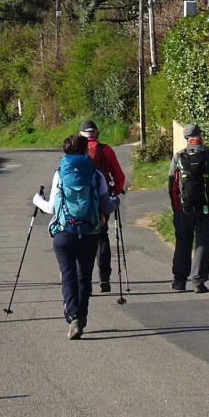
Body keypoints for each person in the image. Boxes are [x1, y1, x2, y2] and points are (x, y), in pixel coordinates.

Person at [33, 135, 110, 339]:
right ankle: (81, 317)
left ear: (65, 153)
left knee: (68, 275)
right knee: (84, 276)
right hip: (89, 233)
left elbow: (51, 208)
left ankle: (73, 317)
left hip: (64, 233)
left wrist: (37, 200)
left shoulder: (60, 174)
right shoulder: (97, 174)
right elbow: (106, 206)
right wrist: (117, 200)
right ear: (86, 151)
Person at [167, 124, 209, 293]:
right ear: (200, 136)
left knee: (182, 242)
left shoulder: (179, 156)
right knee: (202, 243)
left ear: (186, 139)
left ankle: (179, 281)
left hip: (184, 208)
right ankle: (198, 282)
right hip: (207, 208)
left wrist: (176, 209)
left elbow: (172, 185)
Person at [79, 119, 126, 292]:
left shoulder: (77, 151)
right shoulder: (106, 150)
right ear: (96, 133)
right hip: (101, 199)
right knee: (101, 236)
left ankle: (84, 281)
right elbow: (119, 176)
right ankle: (104, 277)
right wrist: (116, 191)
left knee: (82, 238)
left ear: (81, 135)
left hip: (80, 202)